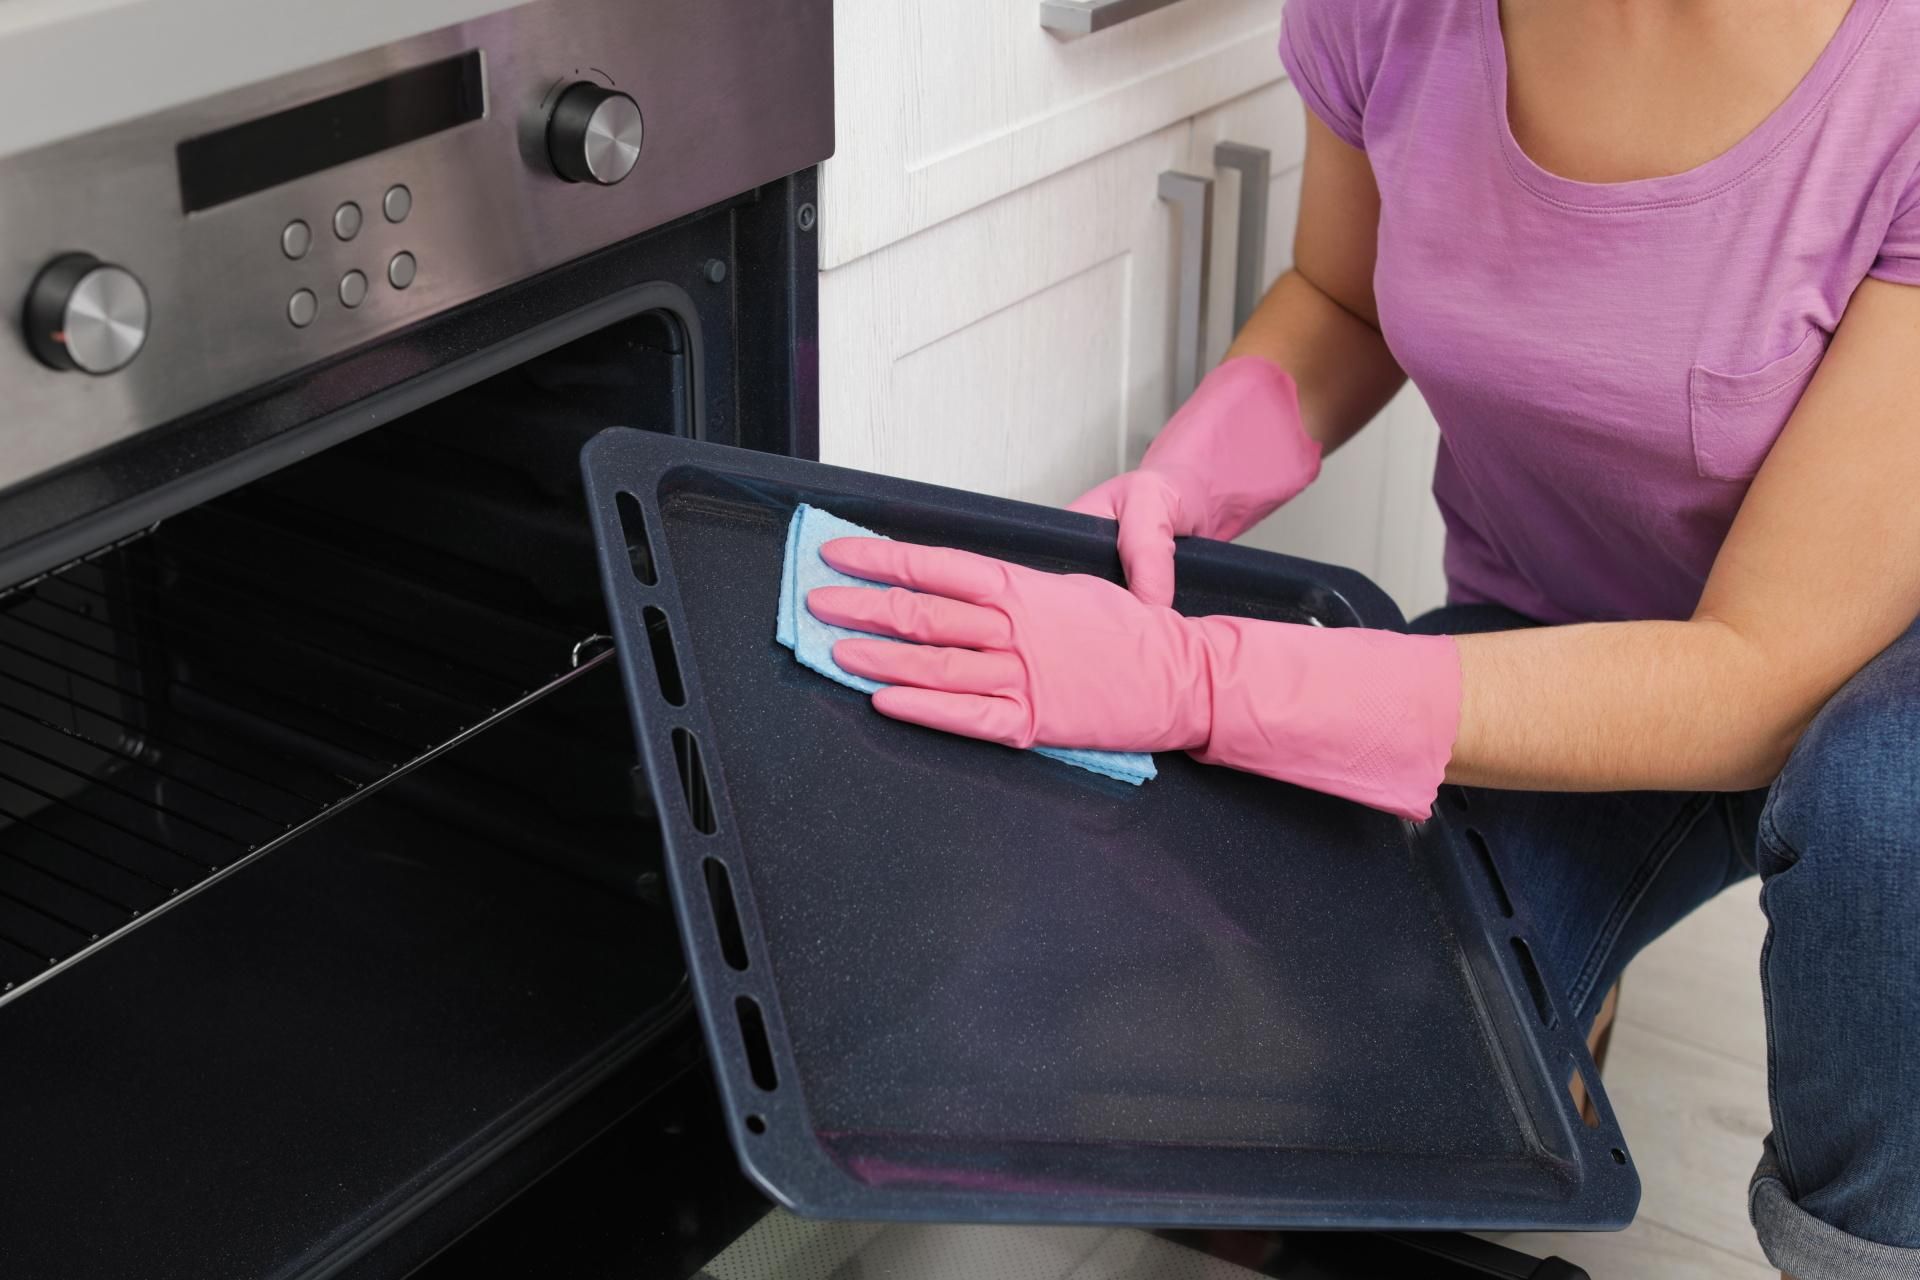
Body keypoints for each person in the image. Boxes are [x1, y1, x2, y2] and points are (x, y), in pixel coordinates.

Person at [804, 2, 1920, 1274]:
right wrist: (1187, 480)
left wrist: (1202, 678)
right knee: (1349, 1048)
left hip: (1859, 675)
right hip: (1547, 633)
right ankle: (1559, 991)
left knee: (1890, 812)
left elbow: (1760, 675)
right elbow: (1343, 293)